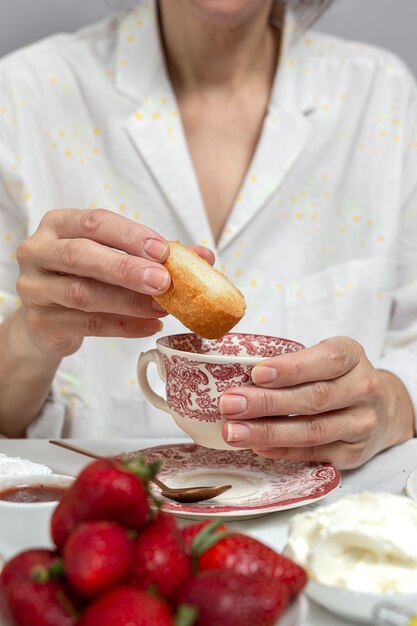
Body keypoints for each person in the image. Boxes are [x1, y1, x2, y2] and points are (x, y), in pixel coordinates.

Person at [0, 0, 415, 469]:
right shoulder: (24, 96)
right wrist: (32, 336)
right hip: (104, 529)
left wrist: (391, 406)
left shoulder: (382, 97)